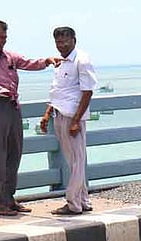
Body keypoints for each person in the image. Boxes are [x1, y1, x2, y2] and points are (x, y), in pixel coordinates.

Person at [0, 20, 62, 216]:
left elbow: (29, 63)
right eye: (1, 37)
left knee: (14, 152)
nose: (4, 40)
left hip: (12, 106)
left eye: (5, 37)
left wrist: (47, 61)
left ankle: (9, 197)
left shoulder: (10, 56)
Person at [40, 26, 97, 215]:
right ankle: (82, 200)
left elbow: (87, 91)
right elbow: (59, 91)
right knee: (72, 159)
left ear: (74, 40)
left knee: (76, 161)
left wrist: (76, 120)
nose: (61, 45)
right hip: (59, 114)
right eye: (58, 42)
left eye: (65, 41)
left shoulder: (82, 60)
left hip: (72, 116)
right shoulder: (61, 62)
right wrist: (48, 113)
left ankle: (73, 203)